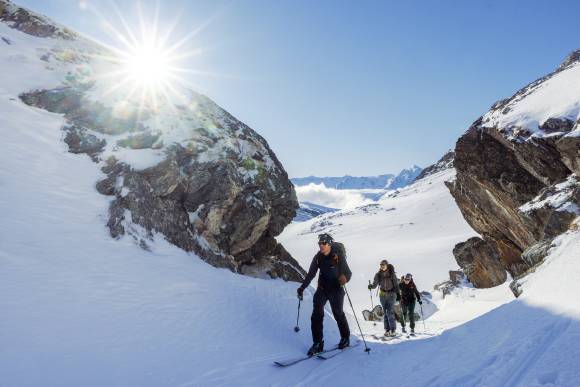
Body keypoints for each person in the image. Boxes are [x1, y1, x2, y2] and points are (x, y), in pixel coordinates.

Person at [297, 233, 352, 355]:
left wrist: (345, 278)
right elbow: (311, 274)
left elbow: (348, 273)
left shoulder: (338, 256)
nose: (321, 245)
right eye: (319, 243)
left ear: (329, 243)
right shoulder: (318, 257)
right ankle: (318, 343)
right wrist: (302, 287)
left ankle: (345, 338)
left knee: (338, 314)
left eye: (324, 243)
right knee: (316, 315)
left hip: (336, 289)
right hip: (322, 289)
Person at [368, 259, 400, 337]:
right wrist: (371, 286)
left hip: (391, 295)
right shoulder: (378, 274)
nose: (382, 266)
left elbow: (396, 284)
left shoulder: (392, 274)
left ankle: (393, 330)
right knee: (385, 312)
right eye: (381, 265)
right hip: (382, 295)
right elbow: (375, 284)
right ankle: (387, 330)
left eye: (383, 264)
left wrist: (398, 294)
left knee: (390, 311)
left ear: (387, 265)